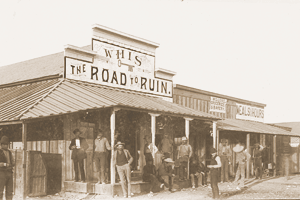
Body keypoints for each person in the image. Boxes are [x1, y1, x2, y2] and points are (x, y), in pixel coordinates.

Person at [0, 136, 14, 200]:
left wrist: (13, 163)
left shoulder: (10, 152)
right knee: (0, 191)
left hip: (9, 173)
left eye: (7, 144)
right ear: (1, 145)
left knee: (9, 191)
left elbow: (13, 162)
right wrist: (5, 164)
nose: (6, 146)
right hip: (1, 173)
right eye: (4, 144)